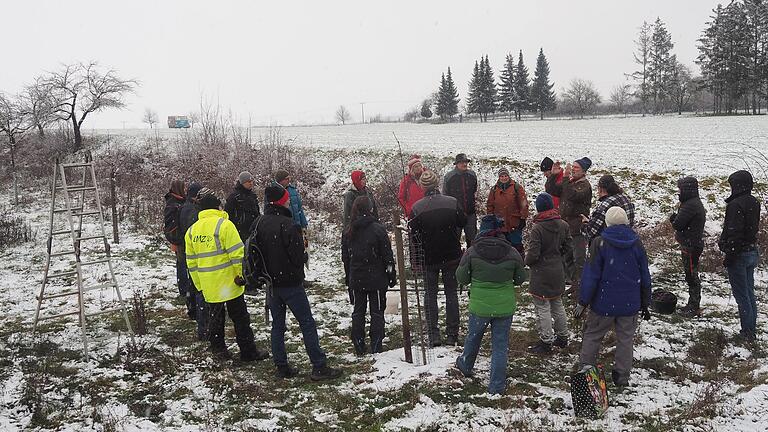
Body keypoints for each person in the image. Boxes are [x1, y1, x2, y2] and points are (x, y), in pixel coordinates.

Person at [256, 184, 343, 380]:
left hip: (271, 284)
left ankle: (281, 366)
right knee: (306, 323)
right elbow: (297, 257)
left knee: (277, 325)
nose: (288, 201)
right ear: (280, 201)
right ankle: (319, 366)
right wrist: (302, 258)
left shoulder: (259, 223)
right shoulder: (289, 225)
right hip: (291, 284)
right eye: (286, 198)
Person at [185, 190, 270, 362]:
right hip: (230, 283)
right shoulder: (225, 225)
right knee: (240, 319)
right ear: (217, 206)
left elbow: (191, 263)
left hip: (209, 285)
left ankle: (219, 352)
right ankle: (248, 352)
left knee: (215, 320)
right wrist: (242, 277)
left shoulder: (192, 231)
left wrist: (199, 285)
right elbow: (238, 255)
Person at [576, 206, 652, 387]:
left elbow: (590, 276)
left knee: (593, 336)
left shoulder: (599, 243)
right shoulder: (637, 243)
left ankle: (586, 374)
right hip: (629, 303)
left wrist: (583, 301)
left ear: (607, 222)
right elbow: (645, 275)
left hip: (603, 302)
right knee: (626, 339)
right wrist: (645, 302)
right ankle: (621, 376)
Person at [455, 215, 527, 394]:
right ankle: (496, 385)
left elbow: (461, 277)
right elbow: (520, 279)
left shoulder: (472, 252)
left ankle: (465, 364)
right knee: (500, 346)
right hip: (504, 306)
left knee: (473, 336)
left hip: (480, 306)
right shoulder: (512, 252)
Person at [410, 170, 467, 347]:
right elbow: (463, 222)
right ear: (437, 185)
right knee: (451, 294)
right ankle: (452, 334)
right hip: (451, 255)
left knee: (430, 295)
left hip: (429, 258)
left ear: (422, 187)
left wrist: (416, 261)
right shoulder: (452, 203)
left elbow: (414, 237)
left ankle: (433, 335)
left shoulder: (417, 208)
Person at [342, 196, 397, 355]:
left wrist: (349, 277)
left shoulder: (348, 230)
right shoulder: (377, 229)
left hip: (358, 277)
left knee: (358, 311)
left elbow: (346, 258)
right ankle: (376, 343)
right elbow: (387, 255)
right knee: (377, 311)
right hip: (376, 278)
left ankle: (359, 343)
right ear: (370, 209)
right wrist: (391, 274)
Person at [525, 193, 573, 354]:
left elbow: (533, 254)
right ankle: (562, 337)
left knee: (542, 307)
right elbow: (568, 246)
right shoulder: (563, 225)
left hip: (541, 272)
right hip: (557, 269)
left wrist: (528, 261)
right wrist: (557, 255)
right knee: (557, 304)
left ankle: (546, 341)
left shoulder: (537, 228)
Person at [719, 170, 761, 343]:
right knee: (749, 293)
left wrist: (730, 255)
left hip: (740, 254)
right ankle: (751, 329)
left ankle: (747, 333)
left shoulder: (736, 205)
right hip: (751, 251)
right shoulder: (754, 202)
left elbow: (735, 232)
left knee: (742, 295)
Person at [546, 157, 593, 300]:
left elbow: (572, 195)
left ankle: (580, 289)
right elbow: (551, 189)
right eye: (573, 166)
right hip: (565, 227)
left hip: (577, 228)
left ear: (584, 171)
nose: (573, 169)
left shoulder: (584, 185)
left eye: (576, 167)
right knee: (566, 258)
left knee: (578, 259)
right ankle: (574, 285)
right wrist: (554, 175)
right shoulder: (571, 183)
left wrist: (565, 178)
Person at [670, 176, 707, 318]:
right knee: (691, 275)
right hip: (692, 245)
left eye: (680, 189)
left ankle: (693, 306)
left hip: (690, 247)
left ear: (686, 190)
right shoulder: (692, 202)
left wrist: (673, 219)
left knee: (691, 277)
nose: (678, 192)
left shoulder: (690, 205)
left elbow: (678, 225)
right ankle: (693, 304)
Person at [179, 182, 208, 340]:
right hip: (192, 250)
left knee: (193, 283)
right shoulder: (191, 210)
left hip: (188, 249)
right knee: (196, 285)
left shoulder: (186, 207)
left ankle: (193, 310)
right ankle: (196, 314)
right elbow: (193, 229)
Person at [486, 167, 529, 258]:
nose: (504, 178)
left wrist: (523, 218)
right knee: (501, 247)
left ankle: (520, 264)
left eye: (505, 176)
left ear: (508, 176)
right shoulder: (494, 190)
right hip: (499, 225)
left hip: (514, 223)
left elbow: (523, 204)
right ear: (499, 177)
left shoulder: (517, 187)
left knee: (517, 246)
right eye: (502, 176)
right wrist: (490, 219)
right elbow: (490, 205)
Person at [582, 175, 635, 245]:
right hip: (627, 242)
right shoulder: (626, 199)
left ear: (600, 189)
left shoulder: (604, 206)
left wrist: (584, 224)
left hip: (608, 247)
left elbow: (590, 233)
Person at [443, 153, 478, 247]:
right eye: (462, 162)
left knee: (472, 240)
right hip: (455, 214)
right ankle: (456, 260)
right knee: (454, 240)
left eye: (466, 162)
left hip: (470, 213)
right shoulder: (449, 177)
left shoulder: (472, 175)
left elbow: (474, 190)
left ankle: (471, 259)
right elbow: (445, 196)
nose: (464, 164)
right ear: (457, 164)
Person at [163, 180, 189, 303]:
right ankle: (184, 292)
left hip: (183, 239)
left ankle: (186, 290)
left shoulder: (180, 201)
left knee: (184, 265)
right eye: (184, 188)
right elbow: (171, 225)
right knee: (182, 265)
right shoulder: (173, 204)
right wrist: (178, 239)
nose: (186, 190)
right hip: (179, 240)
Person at [224, 171, 261, 243]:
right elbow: (228, 214)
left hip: (253, 229)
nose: (251, 183)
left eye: (251, 181)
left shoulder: (253, 195)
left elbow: (257, 211)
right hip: (240, 231)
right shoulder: (234, 197)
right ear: (242, 183)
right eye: (248, 181)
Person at [397, 155, 425, 219]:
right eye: (415, 166)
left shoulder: (427, 177)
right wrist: (408, 210)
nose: (418, 168)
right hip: (413, 213)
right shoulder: (406, 181)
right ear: (411, 169)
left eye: (419, 166)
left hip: (427, 210)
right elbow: (401, 198)